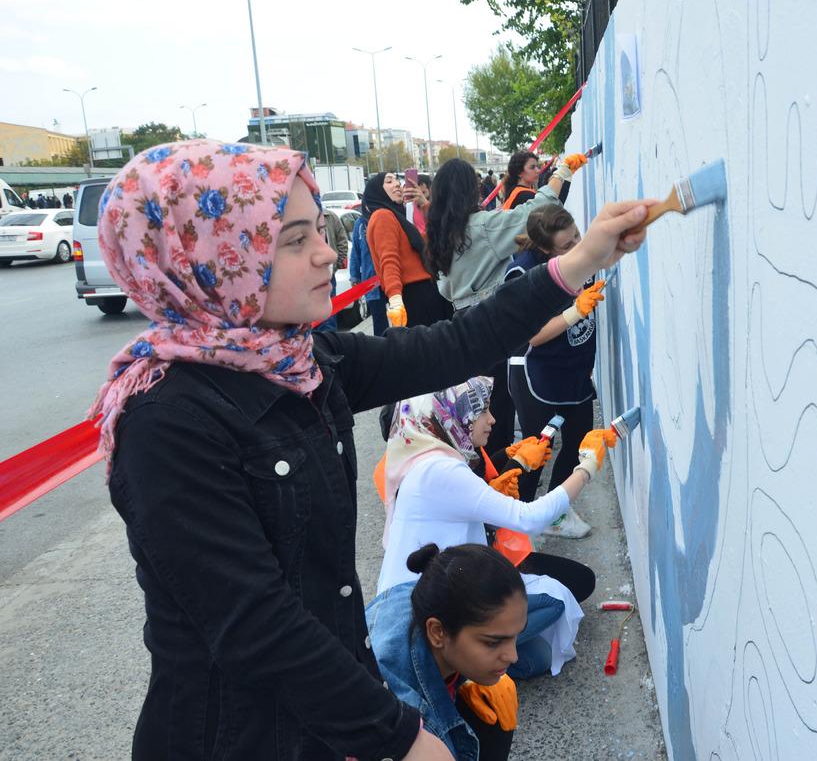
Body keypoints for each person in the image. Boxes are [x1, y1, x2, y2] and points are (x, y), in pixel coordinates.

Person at [89, 138, 652, 760]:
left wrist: (581, 260)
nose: (329, 253)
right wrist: (399, 735)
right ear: (214, 261)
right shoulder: (166, 420)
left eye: (320, 232)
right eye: (296, 239)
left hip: (321, 719)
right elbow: (254, 623)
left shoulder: (303, 361)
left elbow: (455, 345)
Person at [376, 375, 614, 679]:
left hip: (441, 592)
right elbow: (530, 517)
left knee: (537, 657)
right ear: (452, 416)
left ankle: (463, 661)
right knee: (556, 598)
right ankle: (450, 667)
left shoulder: (432, 456)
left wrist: (512, 460)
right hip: (423, 613)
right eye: (482, 412)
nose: (492, 419)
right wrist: (586, 468)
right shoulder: (439, 469)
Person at [424, 155, 587, 459]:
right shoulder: (482, 226)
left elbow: (444, 289)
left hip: (463, 324)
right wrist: (562, 173)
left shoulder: (440, 233)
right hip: (494, 320)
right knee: (498, 410)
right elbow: (534, 213)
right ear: (467, 190)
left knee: (478, 412)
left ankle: (488, 479)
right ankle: (504, 485)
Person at [367, 543, 526, 761]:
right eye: (493, 642)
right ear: (437, 631)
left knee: (496, 705)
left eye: (515, 635)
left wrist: (464, 679)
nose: (513, 656)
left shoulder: (431, 598)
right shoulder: (397, 708)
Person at [505, 204, 604, 538]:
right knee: (535, 454)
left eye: (578, 234)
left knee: (578, 441)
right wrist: (576, 312)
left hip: (573, 370)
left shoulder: (582, 255)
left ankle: (554, 512)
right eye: (567, 245)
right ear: (545, 249)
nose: (577, 245)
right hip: (536, 374)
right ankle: (515, 526)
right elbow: (531, 333)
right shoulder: (524, 272)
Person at [366, 171, 452, 329]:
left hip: (421, 293)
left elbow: (429, 239)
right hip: (416, 296)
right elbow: (388, 259)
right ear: (377, 190)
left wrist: (424, 204)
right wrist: (396, 299)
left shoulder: (396, 217)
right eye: (389, 181)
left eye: (397, 180)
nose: (397, 184)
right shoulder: (383, 215)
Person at [348, 208, 387, 336]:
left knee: (400, 313)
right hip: (372, 280)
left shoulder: (387, 217)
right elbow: (355, 252)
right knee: (379, 319)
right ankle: (382, 350)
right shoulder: (360, 224)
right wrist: (355, 277)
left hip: (391, 276)